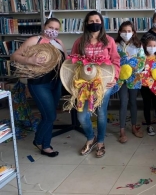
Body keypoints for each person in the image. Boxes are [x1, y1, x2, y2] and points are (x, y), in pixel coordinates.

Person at [11, 18, 67, 157]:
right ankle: (39, 141)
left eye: (56, 29)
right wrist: (29, 60)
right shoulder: (34, 40)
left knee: (48, 115)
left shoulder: (59, 43)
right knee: (50, 115)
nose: (53, 31)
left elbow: (66, 61)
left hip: (56, 83)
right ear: (44, 26)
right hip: (39, 83)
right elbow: (14, 56)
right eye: (50, 27)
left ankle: (45, 145)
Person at [71, 11, 120, 158]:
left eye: (97, 20)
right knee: (82, 116)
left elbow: (116, 61)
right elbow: (72, 61)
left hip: (104, 83)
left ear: (101, 23)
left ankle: (100, 142)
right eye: (91, 21)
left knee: (101, 113)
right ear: (86, 24)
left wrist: (115, 77)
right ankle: (90, 138)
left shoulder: (109, 40)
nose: (94, 23)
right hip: (84, 84)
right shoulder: (79, 42)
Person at [115, 21, 145, 142]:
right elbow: (112, 60)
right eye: (124, 31)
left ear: (133, 33)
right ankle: (122, 130)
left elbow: (142, 60)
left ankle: (133, 126)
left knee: (133, 101)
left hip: (134, 77)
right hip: (121, 78)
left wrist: (133, 68)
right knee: (123, 102)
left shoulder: (138, 45)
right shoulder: (115, 44)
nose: (126, 33)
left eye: (129, 31)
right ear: (120, 32)